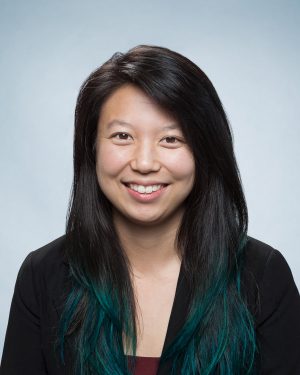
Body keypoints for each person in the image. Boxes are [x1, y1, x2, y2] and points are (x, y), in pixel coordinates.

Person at [1, 45, 300, 375]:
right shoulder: (43, 275)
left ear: (205, 150)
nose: (144, 163)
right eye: (122, 135)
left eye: (171, 139)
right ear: (92, 148)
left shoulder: (262, 277)